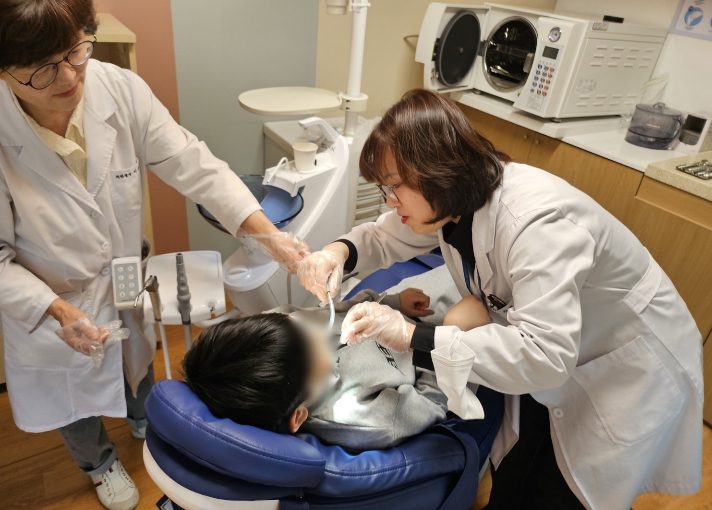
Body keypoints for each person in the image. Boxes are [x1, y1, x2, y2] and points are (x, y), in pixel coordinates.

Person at [297, 89, 703, 510]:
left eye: (394, 187)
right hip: (552, 354)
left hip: (624, 365)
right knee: (517, 471)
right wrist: (336, 253)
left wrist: (412, 336)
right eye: (385, 189)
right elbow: (386, 234)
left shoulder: (535, 222)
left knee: (560, 495)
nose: (390, 201)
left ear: (435, 170)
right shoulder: (454, 199)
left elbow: (545, 356)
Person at [0, 2, 308, 509]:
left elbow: (193, 163)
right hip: (50, 300)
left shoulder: (119, 90)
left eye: (75, 49)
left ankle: (143, 419)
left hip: (121, 279)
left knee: (138, 361)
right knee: (71, 399)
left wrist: (268, 235)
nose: (70, 75)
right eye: (42, 68)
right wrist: (55, 309)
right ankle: (100, 464)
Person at [184, 287, 493, 451]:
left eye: (296, 325)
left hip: (413, 307)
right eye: (311, 347)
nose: (315, 331)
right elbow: (434, 401)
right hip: (451, 342)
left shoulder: (279, 328)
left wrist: (392, 301)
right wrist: (448, 337)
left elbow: (337, 311)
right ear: (298, 415)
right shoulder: (368, 418)